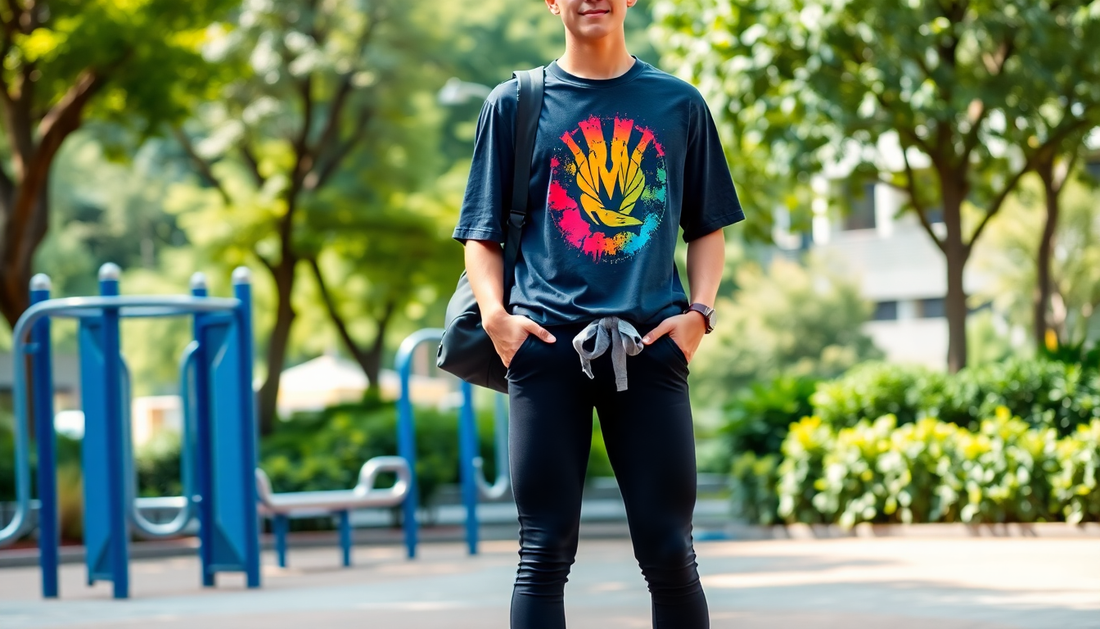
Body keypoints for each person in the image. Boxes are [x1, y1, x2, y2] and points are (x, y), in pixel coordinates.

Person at [452, 1, 743, 627]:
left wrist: (698, 315)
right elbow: (481, 234)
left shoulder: (678, 103)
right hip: (543, 347)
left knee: (670, 552)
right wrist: (501, 324)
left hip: (651, 348)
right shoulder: (513, 103)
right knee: (543, 553)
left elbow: (709, 225)